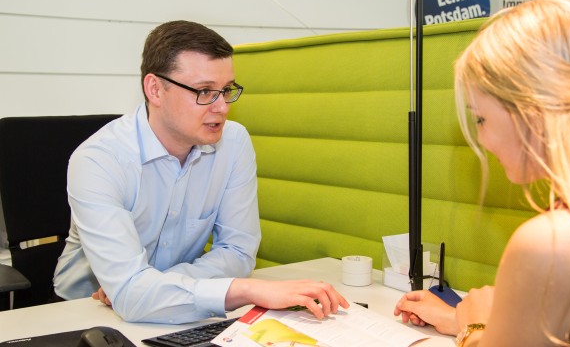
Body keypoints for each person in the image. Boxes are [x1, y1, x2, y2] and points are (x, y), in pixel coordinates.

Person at [53, 20, 348, 324]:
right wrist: (244, 290)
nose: (222, 107)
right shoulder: (99, 160)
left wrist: (152, 287)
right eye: (205, 91)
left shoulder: (233, 143)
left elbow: (238, 251)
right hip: (82, 314)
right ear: (155, 89)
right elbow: (130, 295)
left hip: (179, 308)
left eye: (227, 90)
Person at [394, 0, 570, 346]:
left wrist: (474, 327)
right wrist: (461, 317)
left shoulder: (552, 243)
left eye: (481, 118)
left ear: (530, 113)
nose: (481, 138)